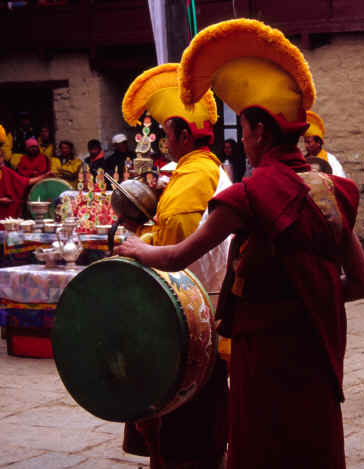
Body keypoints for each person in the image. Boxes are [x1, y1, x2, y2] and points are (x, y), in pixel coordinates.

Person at [117, 18, 364, 469]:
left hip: (266, 352)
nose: (245, 142)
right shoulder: (333, 191)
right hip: (316, 346)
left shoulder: (249, 195)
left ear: (259, 131)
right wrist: (311, 298)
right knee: (314, 441)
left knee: (263, 443)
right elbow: (363, 284)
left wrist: (138, 249)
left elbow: (178, 255)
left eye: (247, 130)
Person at [118, 62, 230, 469]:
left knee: (185, 432)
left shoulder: (189, 185)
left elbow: (176, 255)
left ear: (184, 134)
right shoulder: (201, 170)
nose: (163, 143)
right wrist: (144, 234)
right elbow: (171, 235)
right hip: (202, 313)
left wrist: (137, 247)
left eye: (166, 133)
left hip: (184, 321)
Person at [0, 123, 49, 278]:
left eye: (1, 156)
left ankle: (2, 267)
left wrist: (44, 176)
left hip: (4, 217)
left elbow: (25, 181)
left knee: (7, 241)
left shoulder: (7, 171)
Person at [303, 110, 346, 177]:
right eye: (305, 142)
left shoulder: (330, 160)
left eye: (308, 142)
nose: (306, 146)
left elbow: (339, 178)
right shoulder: (303, 160)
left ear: (318, 143)